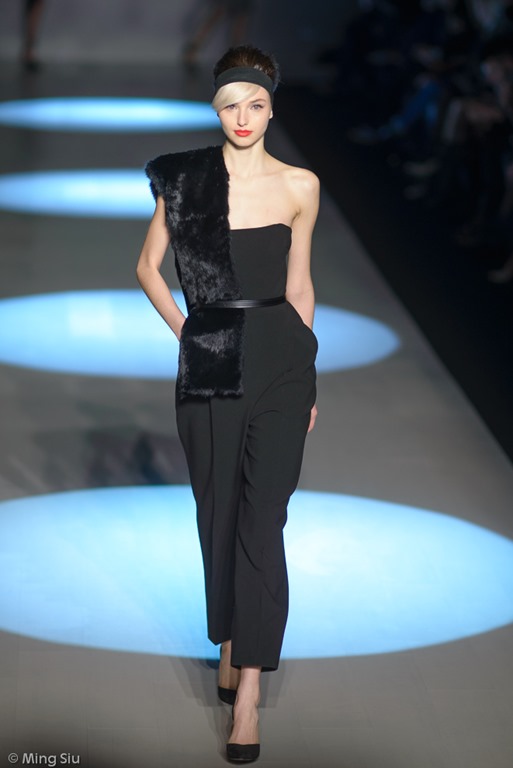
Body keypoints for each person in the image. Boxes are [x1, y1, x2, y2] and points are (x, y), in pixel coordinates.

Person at [136, 44, 319, 763]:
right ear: (215, 110)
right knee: (218, 514)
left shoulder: (300, 185)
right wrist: (189, 333)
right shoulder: (185, 180)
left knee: (262, 519)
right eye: (229, 106)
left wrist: (309, 373)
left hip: (282, 364)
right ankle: (230, 638)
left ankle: (248, 694)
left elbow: (299, 286)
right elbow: (147, 268)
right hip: (211, 361)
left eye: (254, 105)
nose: (242, 118)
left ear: (271, 108)